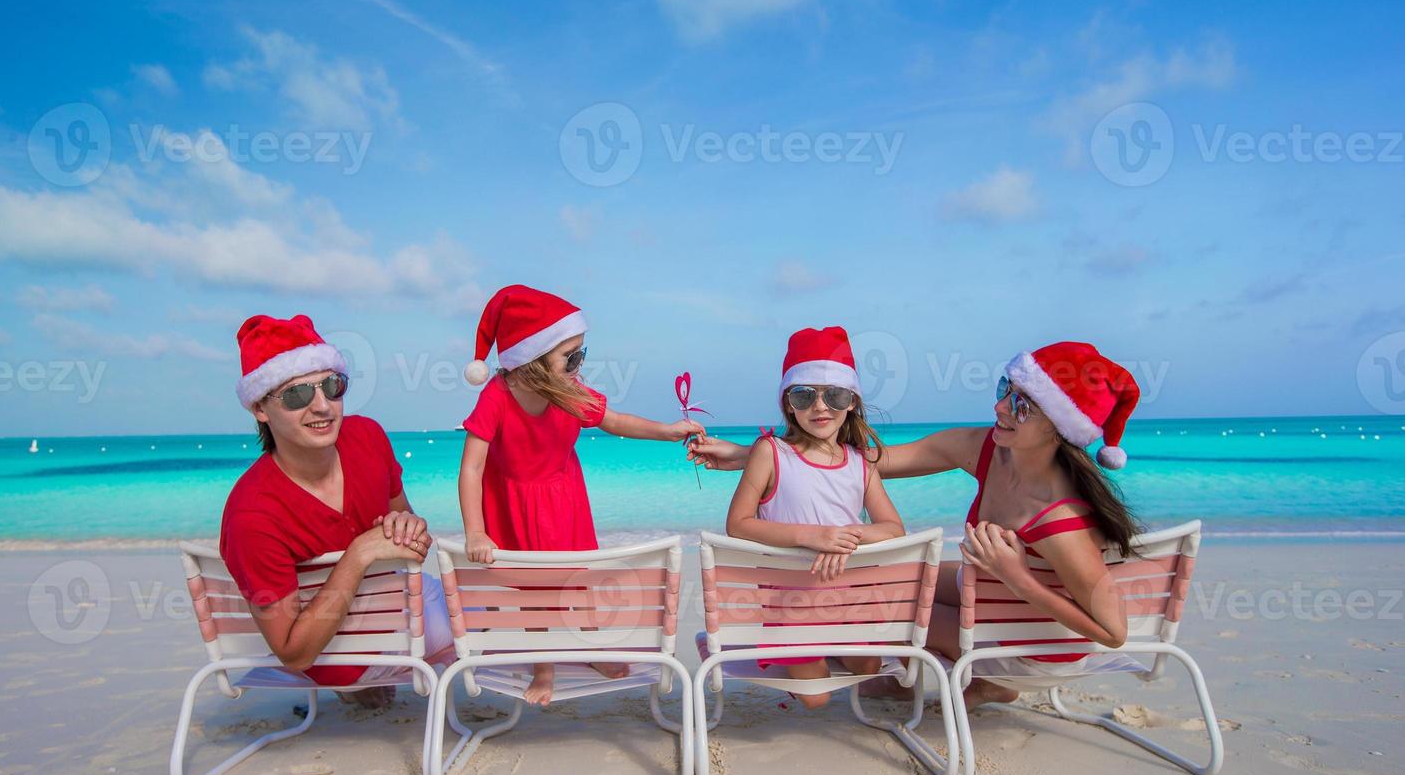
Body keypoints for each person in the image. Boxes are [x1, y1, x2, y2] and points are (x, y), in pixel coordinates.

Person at [691, 340, 1142, 707]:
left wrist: (1017, 576)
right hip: (1004, 609)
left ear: (1060, 427)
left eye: (1023, 406)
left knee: (893, 602)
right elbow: (867, 462)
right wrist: (754, 458)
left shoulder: (1060, 519)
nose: (1002, 408)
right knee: (905, 577)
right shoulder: (988, 448)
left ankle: (958, 679)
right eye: (1006, 389)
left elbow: (1112, 632)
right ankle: (930, 681)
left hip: (1037, 650)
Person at [458, 284, 706, 705]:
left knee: (582, 580)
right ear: (534, 361)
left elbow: (614, 421)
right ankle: (543, 665)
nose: (580, 363)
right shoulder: (497, 397)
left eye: (581, 353)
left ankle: (590, 648)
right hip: (514, 503)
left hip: (564, 496)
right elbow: (471, 467)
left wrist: (666, 432)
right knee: (532, 591)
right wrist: (476, 532)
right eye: (570, 356)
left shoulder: (568, 393)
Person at [219, 314, 451, 709]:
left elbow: (417, 541)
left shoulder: (367, 438)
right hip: (338, 660)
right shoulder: (252, 515)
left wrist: (409, 526)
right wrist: (359, 554)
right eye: (297, 395)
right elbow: (295, 654)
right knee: (492, 609)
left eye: (332, 386)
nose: (323, 406)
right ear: (260, 407)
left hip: (395, 622)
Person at [723, 327, 905, 708]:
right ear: (789, 404)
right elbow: (738, 523)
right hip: (792, 605)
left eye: (834, 395)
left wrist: (845, 535)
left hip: (849, 604)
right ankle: (812, 655)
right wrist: (812, 536)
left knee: (868, 667)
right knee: (816, 700)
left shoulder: (861, 462)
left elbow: (893, 528)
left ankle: (841, 655)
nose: (820, 407)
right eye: (804, 395)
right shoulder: (769, 452)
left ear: (851, 401)